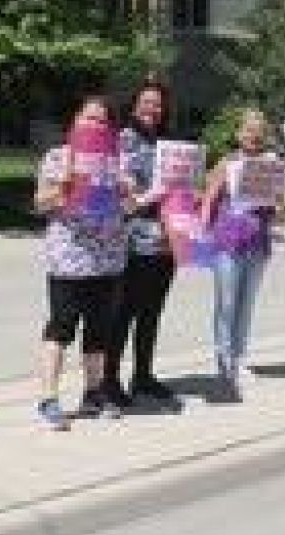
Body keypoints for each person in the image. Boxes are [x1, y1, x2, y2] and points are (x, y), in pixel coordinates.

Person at [34, 95, 130, 429]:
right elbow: (40, 203)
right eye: (90, 118)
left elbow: (130, 207)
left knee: (99, 331)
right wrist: (63, 187)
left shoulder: (117, 160)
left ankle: (93, 394)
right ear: (76, 121)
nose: (95, 125)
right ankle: (48, 397)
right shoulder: (58, 157)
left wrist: (126, 191)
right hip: (69, 259)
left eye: (102, 121)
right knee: (61, 327)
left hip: (108, 259)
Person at [103, 80, 179, 409]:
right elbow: (124, 194)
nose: (153, 109)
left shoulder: (169, 143)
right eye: (147, 103)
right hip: (134, 238)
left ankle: (143, 375)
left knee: (152, 311)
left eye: (158, 104)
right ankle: (109, 379)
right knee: (124, 311)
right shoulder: (123, 139)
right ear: (134, 106)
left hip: (166, 237)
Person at [201, 109, 285, 401]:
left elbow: (279, 207)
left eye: (259, 131)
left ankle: (239, 358)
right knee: (226, 303)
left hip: (257, 242)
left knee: (246, 304)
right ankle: (223, 362)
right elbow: (209, 198)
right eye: (249, 130)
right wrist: (200, 234)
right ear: (239, 134)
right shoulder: (227, 163)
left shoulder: (271, 164)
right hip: (227, 241)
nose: (254, 135)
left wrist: (280, 206)